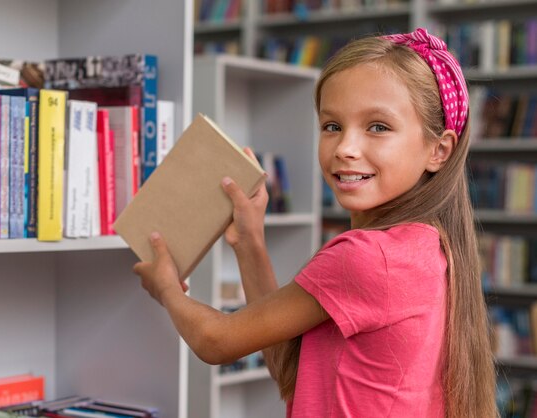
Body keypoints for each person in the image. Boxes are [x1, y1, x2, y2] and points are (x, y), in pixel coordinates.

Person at [133, 27, 497, 418]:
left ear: (439, 150)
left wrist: (167, 289)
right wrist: (249, 240)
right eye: (332, 126)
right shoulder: (426, 248)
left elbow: (216, 341)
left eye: (378, 127)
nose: (345, 148)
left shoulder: (367, 257)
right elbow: (286, 365)